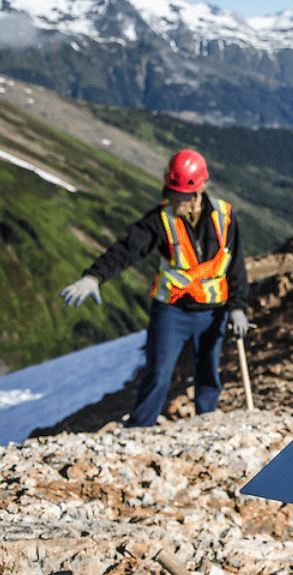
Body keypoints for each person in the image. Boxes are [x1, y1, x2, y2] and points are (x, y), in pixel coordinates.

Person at [60, 149, 250, 427]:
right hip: (172, 311)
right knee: (159, 372)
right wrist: (94, 276)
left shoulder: (225, 218)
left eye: (181, 197)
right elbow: (126, 249)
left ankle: (207, 421)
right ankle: (139, 427)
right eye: (172, 194)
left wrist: (238, 308)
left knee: (209, 371)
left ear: (199, 192)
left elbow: (237, 268)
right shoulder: (160, 220)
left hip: (213, 312)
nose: (175, 201)